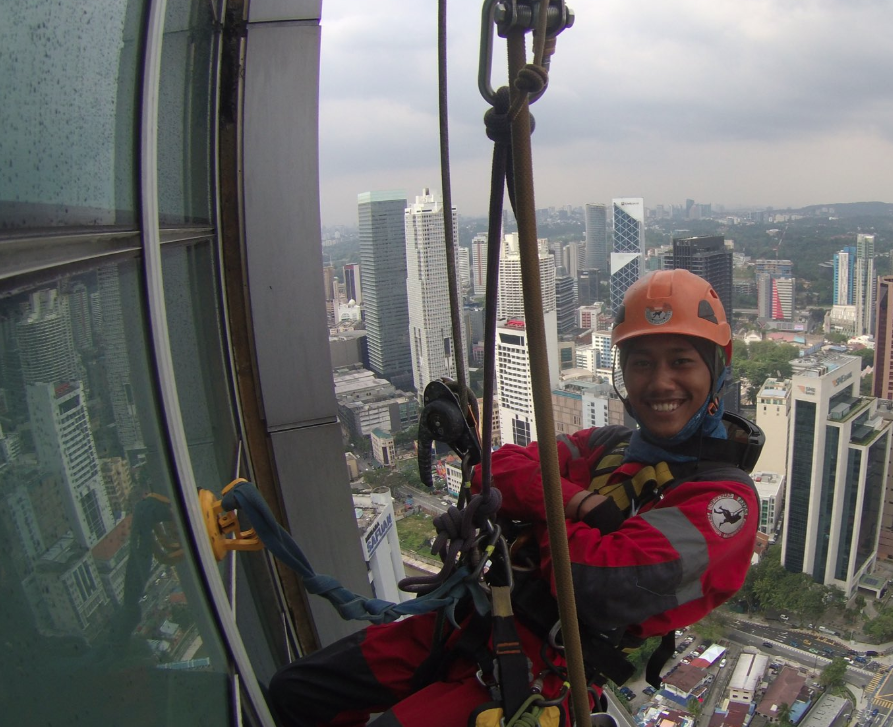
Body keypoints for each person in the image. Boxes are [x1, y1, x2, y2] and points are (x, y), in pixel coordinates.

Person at [268, 269, 761, 727]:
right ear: (623, 375)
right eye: (642, 363)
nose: (660, 383)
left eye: (681, 362)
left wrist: (542, 506)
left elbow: (595, 584)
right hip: (475, 620)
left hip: (541, 677)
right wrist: (578, 505)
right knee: (296, 692)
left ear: (716, 370)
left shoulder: (723, 502)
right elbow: (495, 469)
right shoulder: (609, 446)